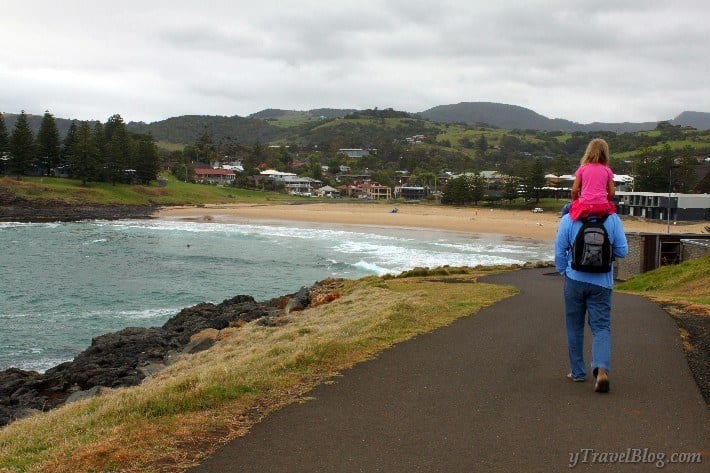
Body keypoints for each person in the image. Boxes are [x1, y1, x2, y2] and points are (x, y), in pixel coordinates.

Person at [554, 209, 628, 393]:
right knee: (601, 327)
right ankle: (601, 371)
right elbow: (622, 251)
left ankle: (578, 372)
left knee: (574, 326)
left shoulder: (569, 217)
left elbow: (559, 251)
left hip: (575, 281)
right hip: (602, 283)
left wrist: (565, 271)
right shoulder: (612, 218)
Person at [567, 138, 617, 221]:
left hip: (584, 206)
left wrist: (575, 202)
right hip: (602, 206)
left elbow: (574, 191)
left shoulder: (582, 169)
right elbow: (612, 193)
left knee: (566, 209)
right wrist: (605, 201)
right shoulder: (607, 170)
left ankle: (562, 229)